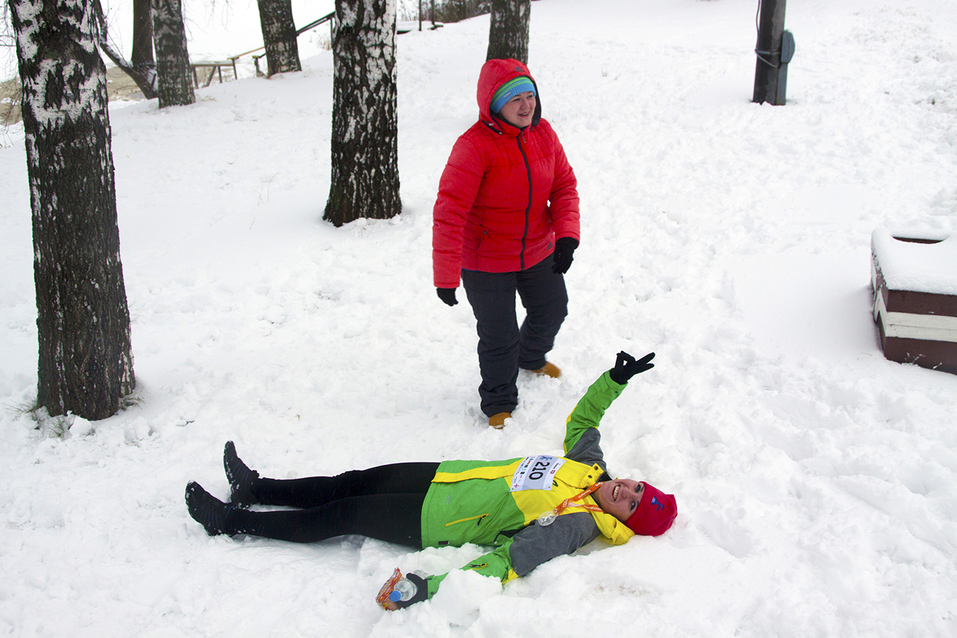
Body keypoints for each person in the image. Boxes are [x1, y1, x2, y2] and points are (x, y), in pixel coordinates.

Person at [185, 352, 676, 609]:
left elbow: (507, 562)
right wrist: (614, 381)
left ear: (624, 523)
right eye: (638, 487)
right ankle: (256, 488)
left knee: (344, 514)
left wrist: (430, 588)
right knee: (349, 481)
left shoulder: (574, 527)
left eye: (633, 505)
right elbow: (583, 423)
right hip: (444, 476)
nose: (627, 491)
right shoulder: (591, 469)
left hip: (437, 518)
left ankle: (233, 521)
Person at [432, 58, 581, 428]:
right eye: (516, 99)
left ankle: (530, 356)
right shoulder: (473, 147)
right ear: (494, 104)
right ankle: (498, 400)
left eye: (530, 96)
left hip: (537, 249)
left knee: (552, 309)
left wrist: (566, 235)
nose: (526, 105)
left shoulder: (544, 134)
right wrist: (446, 275)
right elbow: (450, 212)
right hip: (486, 260)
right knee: (499, 337)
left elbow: (564, 186)